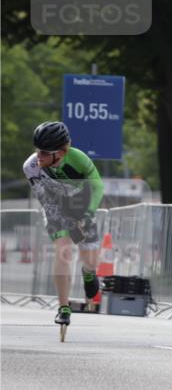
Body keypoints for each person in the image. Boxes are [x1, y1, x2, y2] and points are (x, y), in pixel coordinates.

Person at [22, 121, 105, 326]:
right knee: (63, 250)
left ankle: (88, 273)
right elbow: (45, 201)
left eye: (44, 153)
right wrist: (67, 227)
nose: (39, 157)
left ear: (62, 152)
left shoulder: (78, 159)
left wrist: (86, 216)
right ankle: (63, 307)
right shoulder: (31, 167)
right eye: (38, 151)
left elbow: (98, 187)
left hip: (82, 204)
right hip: (55, 206)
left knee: (90, 259)